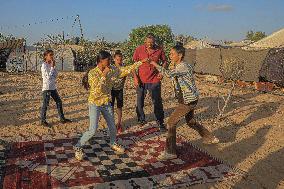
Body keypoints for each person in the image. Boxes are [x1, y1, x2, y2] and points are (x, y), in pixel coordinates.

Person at [150, 44, 219, 160]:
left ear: (180, 55)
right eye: (170, 54)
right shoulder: (179, 65)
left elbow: (168, 74)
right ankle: (210, 138)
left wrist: (154, 64)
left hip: (187, 101)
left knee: (171, 122)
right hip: (189, 98)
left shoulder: (182, 66)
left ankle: (170, 152)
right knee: (191, 122)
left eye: (172, 54)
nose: (170, 56)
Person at [74, 50, 145, 161]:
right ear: (101, 61)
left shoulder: (112, 69)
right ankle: (78, 146)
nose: (110, 62)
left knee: (112, 127)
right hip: (95, 103)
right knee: (92, 130)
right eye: (108, 60)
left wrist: (141, 62)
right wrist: (104, 75)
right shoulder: (93, 73)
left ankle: (113, 143)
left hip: (106, 103)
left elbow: (125, 70)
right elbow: (96, 90)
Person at [133, 33, 167, 131]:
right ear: (145, 41)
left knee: (157, 101)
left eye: (152, 43)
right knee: (139, 101)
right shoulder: (139, 49)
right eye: (148, 42)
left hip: (154, 79)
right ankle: (141, 119)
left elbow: (164, 61)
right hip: (141, 80)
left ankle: (160, 121)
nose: (150, 44)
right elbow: (133, 65)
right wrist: (135, 77)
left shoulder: (159, 49)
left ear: (154, 41)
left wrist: (162, 72)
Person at [40, 49, 71, 127]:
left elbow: (55, 75)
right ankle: (43, 121)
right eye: (50, 55)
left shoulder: (51, 65)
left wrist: (53, 67)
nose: (52, 56)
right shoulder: (44, 65)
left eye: (52, 55)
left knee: (59, 102)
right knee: (45, 104)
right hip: (47, 87)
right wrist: (52, 68)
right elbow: (48, 77)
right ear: (45, 56)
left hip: (53, 87)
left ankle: (62, 118)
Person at [111, 50, 126, 134]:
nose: (119, 61)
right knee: (111, 107)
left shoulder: (123, 67)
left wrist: (122, 85)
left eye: (120, 59)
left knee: (119, 107)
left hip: (120, 90)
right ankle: (112, 123)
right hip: (111, 90)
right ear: (114, 59)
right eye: (117, 59)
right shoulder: (111, 68)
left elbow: (125, 77)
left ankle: (119, 123)